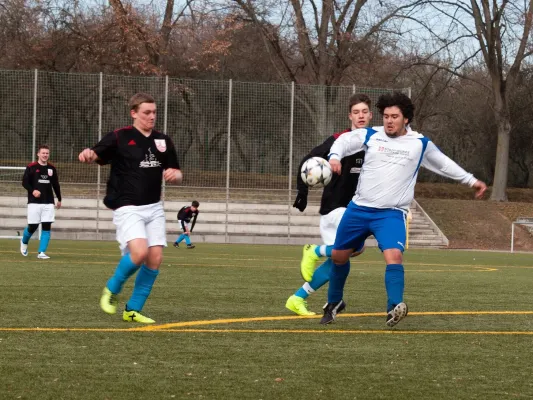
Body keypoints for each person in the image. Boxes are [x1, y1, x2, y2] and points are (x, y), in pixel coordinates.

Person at [322, 92, 487, 326]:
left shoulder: (419, 144)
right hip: (359, 209)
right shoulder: (371, 134)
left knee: (394, 256)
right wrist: (335, 157)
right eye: (386, 116)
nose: (389, 121)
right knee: (339, 256)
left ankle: (394, 307)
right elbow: (344, 141)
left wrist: (471, 181)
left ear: (406, 119)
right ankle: (335, 302)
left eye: (395, 116)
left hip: (391, 214)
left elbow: (444, 163)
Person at [78, 93, 182, 324]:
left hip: (154, 207)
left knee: (155, 258)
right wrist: (88, 155)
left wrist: (176, 175)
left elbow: (176, 170)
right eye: (147, 112)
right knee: (139, 253)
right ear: (133, 113)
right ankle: (112, 289)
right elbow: (96, 154)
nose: (152, 116)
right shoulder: (119, 137)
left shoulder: (162, 141)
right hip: (127, 207)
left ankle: (133, 309)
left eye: (154, 112)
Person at [285, 94, 371, 316]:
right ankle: (314, 251)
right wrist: (302, 191)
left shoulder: (374, 142)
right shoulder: (339, 139)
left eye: (364, 112)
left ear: (370, 115)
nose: (360, 116)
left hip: (349, 209)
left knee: (340, 261)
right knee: (357, 247)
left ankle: (297, 298)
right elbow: (308, 159)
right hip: (336, 208)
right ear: (349, 115)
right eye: (356, 112)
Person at [20, 144, 62, 259]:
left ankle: (41, 252)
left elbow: (56, 185)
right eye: (43, 153)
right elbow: (24, 182)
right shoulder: (31, 167)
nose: (45, 155)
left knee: (46, 226)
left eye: (47, 153)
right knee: (32, 227)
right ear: (38, 154)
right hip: (34, 202)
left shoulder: (52, 168)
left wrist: (59, 199)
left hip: (48, 201)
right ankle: (24, 242)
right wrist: (33, 191)